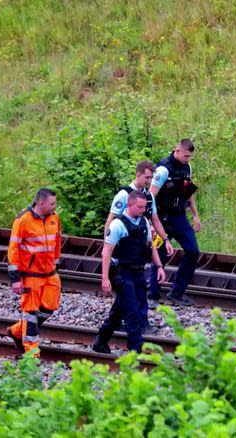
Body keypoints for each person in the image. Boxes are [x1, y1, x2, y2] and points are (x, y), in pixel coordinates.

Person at [92, 191, 166, 354]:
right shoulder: (118, 225)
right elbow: (107, 252)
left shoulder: (144, 222)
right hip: (121, 272)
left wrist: (159, 266)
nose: (142, 210)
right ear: (129, 205)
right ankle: (136, 350)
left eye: (144, 207)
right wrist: (105, 278)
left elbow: (150, 246)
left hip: (138, 271)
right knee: (132, 311)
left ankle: (101, 341)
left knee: (121, 309)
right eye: (139, 207)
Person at [105, 160, 174, 317]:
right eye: (147, 178)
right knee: (129, 293)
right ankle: (129, 323)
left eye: (151, 178)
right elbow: (110, 220)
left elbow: (155, 219)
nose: (149, 181)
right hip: (123, 250)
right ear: (138, 175)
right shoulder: (124, 195)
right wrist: (108, 247)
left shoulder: (148, 196)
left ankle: (132, 321)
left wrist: (166, 239)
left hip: (139, 249)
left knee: (135, 291)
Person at [6, 188, 62, 357]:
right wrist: (15, 279)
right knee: (30, 314)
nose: (55, 206)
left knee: (50, 306)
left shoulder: (54, 218)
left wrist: (55, 262)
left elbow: (57, 240)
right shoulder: (23, 219)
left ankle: (17, 331)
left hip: (50, 272)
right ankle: (31, 353)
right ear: (41, 203)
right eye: (52, 204)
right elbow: (13, 249)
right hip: (31, 275)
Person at [149, 139, 200, 306]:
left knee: (193, 251)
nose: (187, 159)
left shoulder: (187, 167)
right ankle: (153, 296)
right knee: (160, 254)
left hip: (179, 216)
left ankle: (177, 293)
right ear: (176, 151)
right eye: (185, 156)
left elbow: (188, 191)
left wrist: (195, 215)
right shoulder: (163, 169)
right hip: (162, 218)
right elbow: (151, 196)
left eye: (189, 157)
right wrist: (151, 222)